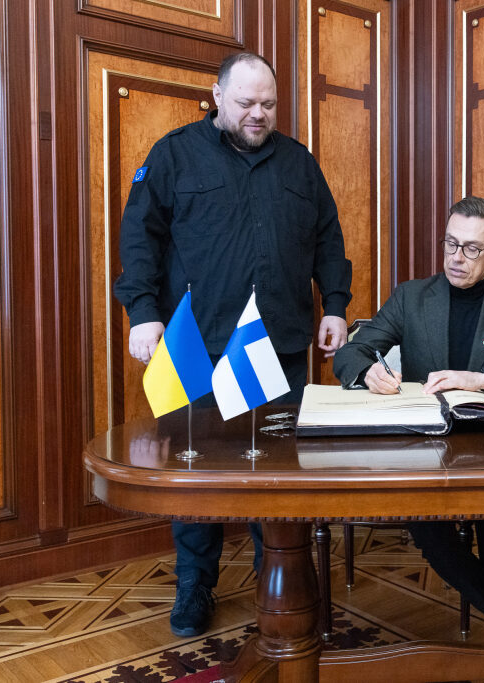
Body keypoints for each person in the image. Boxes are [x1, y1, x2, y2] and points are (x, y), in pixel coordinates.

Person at [114, 52, 352, 638]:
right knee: (194, 474)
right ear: (217, 96)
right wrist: (142, 313)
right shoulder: (173, 154)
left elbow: (328, 237)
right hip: (196, 345)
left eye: (268, 104)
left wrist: (336, 304)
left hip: (279, 346)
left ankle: (282, 577)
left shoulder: (299, 163)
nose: (258, 114)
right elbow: (139, 237)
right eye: (246, 103)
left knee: (277, 474)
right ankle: (195, 583)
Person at [332, 196, 484, 642]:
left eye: (472, 248)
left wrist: (483, 380)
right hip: (424, 449)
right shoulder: (412, 297)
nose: (457, 257)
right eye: (451, 243)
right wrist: (366, 371)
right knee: (429, 528)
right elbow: (351, 352)